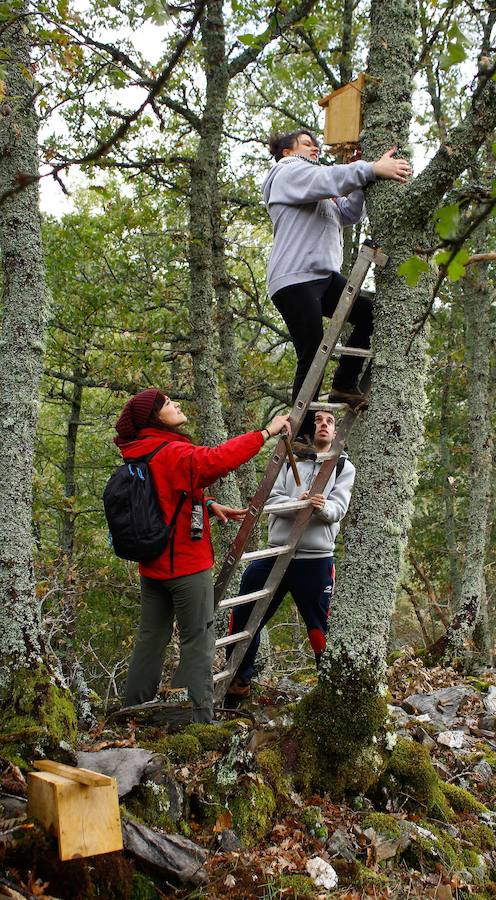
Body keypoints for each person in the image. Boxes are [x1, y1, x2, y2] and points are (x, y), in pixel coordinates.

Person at [114, 387, 290, 723]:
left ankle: (131, 713)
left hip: (152, 566)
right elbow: (217, 461)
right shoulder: (171, 451)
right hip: (184, 565)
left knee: (151, 638)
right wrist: (265, 433)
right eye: (167, 404)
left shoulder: (140, 451)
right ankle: (197, 717)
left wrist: (207, 504)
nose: (176, 403)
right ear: (153, 417)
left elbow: (163, 496)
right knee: (199, 639)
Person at [263, 129, 412, 452]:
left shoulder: (315, 184)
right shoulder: (287, 173)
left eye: (316, 144)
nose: (314, 148)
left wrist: (362, 178)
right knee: (313, 348)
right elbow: (328, 180)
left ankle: (344, 384)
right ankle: (301, 433)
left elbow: (348, 212)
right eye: (306, 144)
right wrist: (371, 168)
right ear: (287, 152)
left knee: (370, 314)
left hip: (323, 276)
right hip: (293, 277)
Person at [226, 410, 355, 698]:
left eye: (330, 421)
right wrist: (297, 503)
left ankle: (330, 691)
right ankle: (238, 683)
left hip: (315, 559)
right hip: (275, 553)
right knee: (244, 614)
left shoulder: (343, 467)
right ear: (310, 428)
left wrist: (319, 506)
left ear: (335, 432)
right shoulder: (288, 460)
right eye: (318, 420)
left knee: (320, 627)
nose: (323, 424)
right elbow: (269, 499)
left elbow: (338, 510)